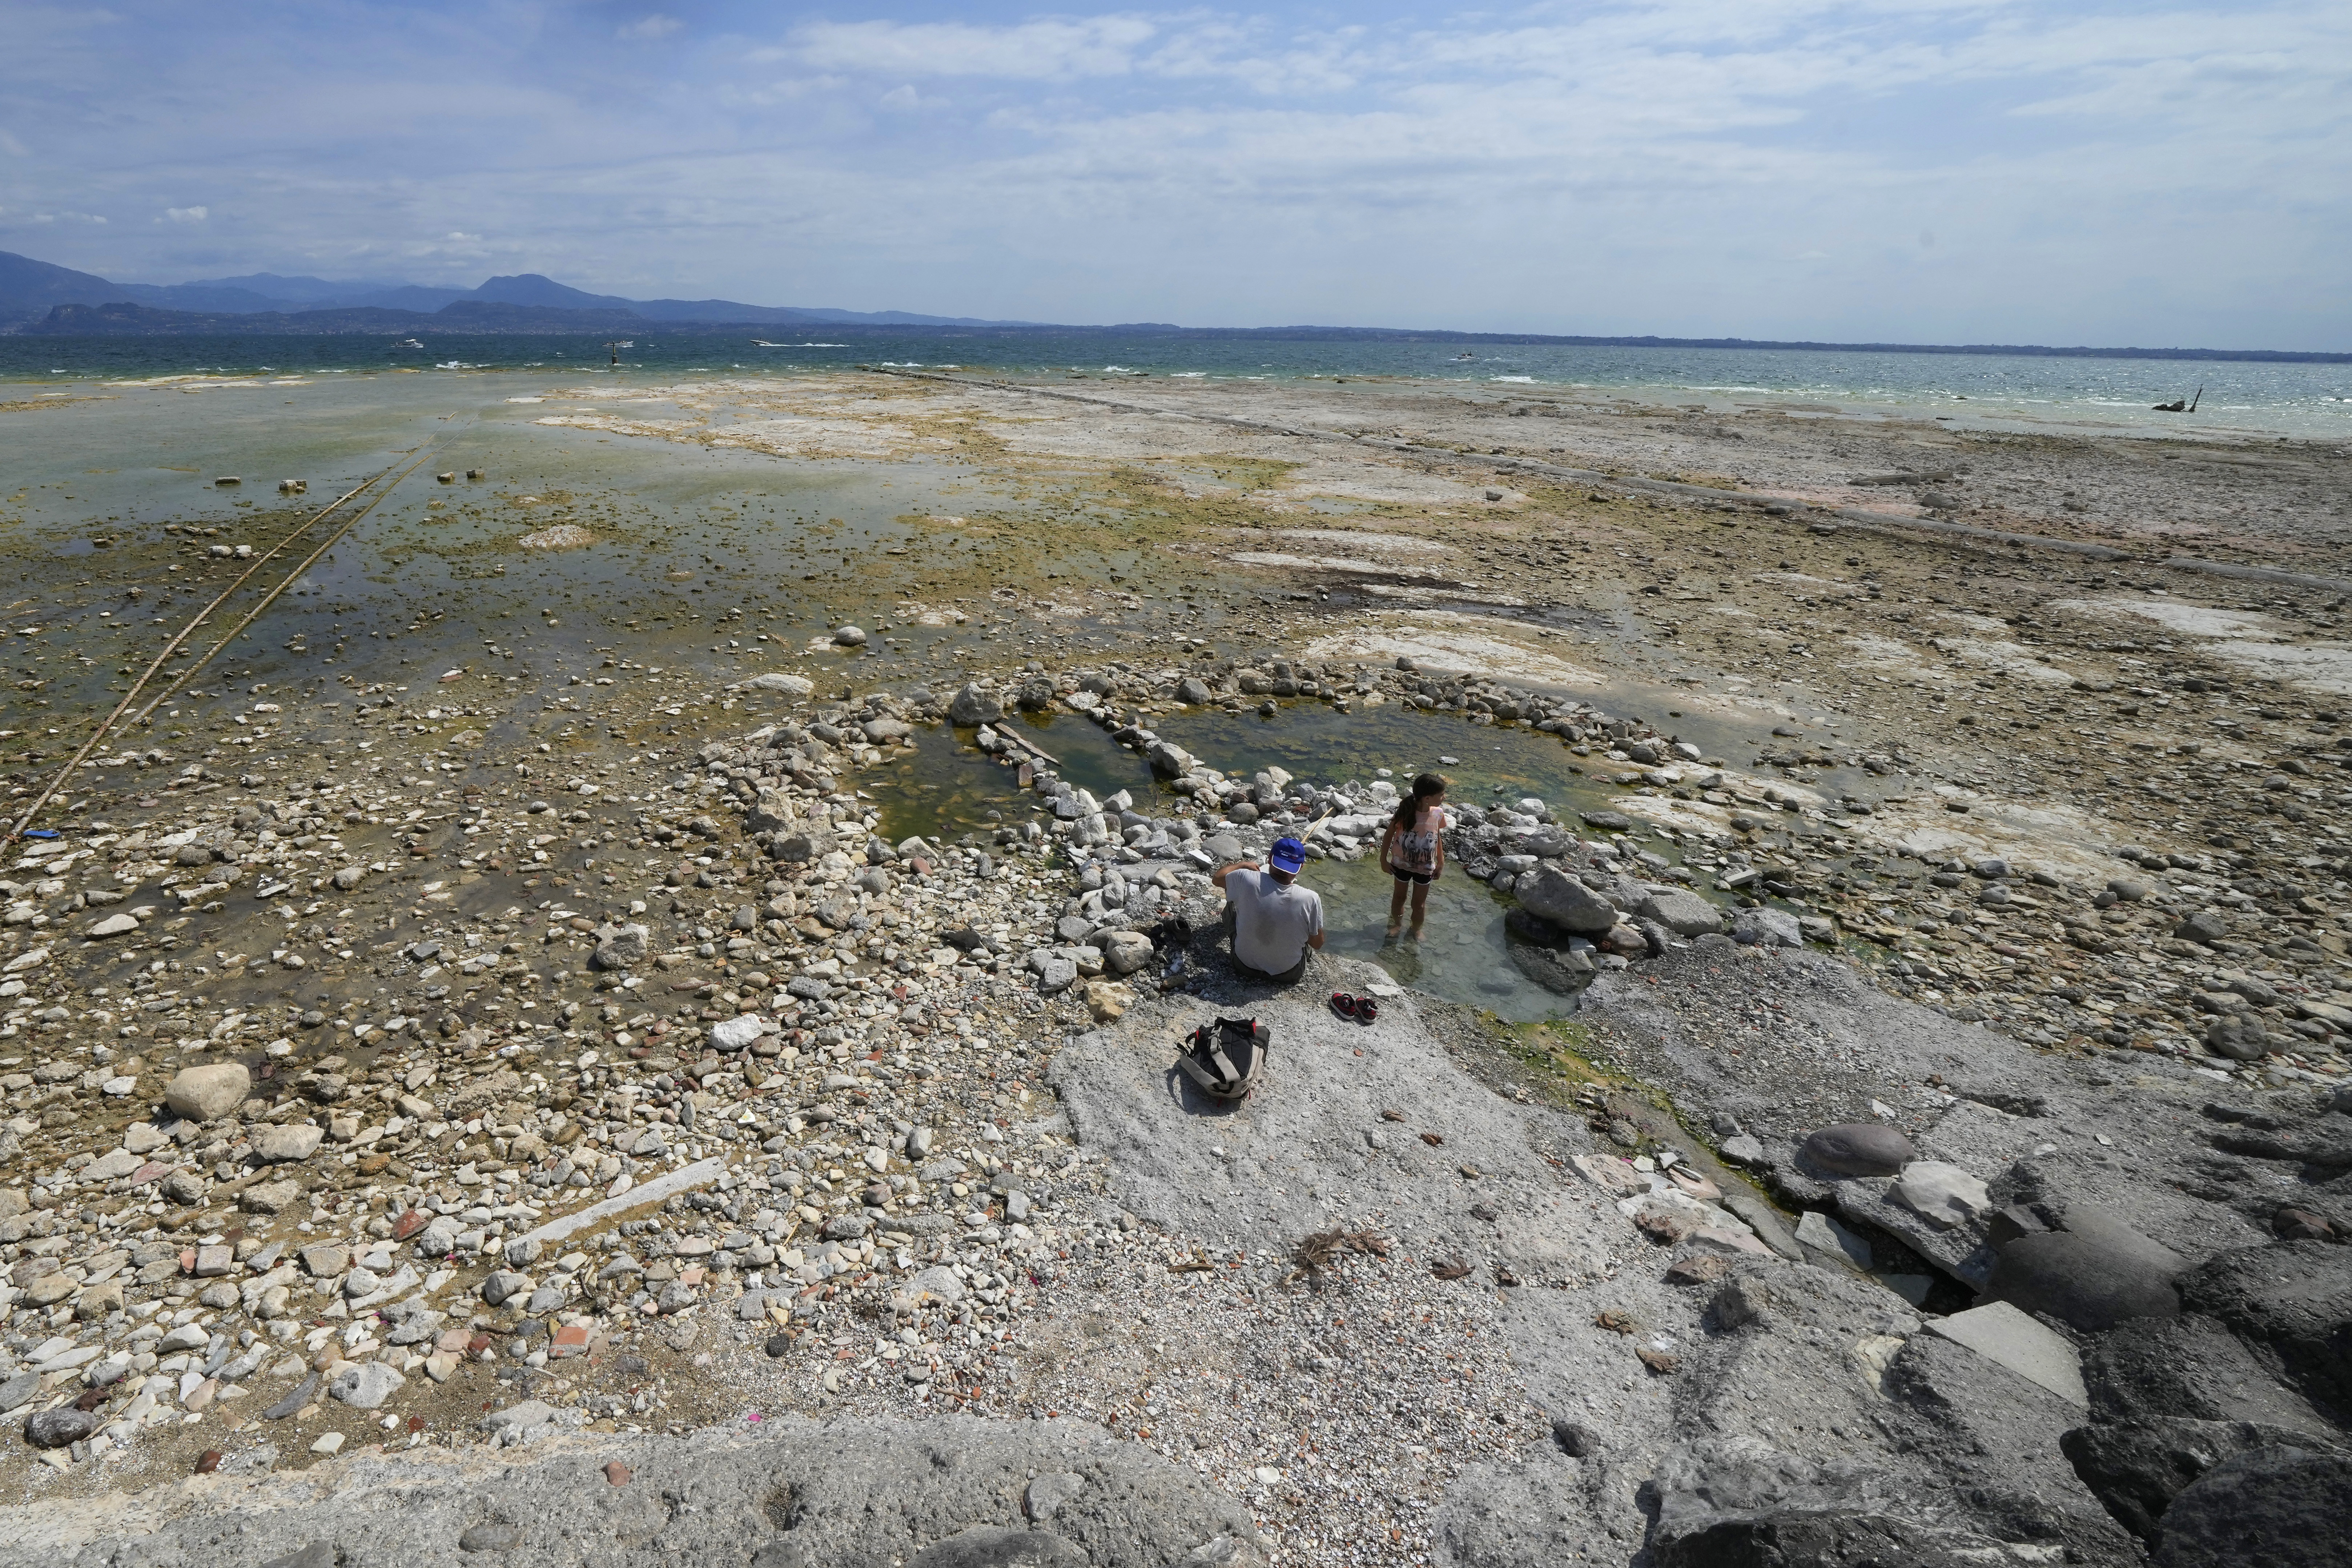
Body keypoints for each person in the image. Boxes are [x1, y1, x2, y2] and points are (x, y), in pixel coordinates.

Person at [1213, 835, 1324, 984]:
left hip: (1244, 965)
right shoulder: (1310, 898)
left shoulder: (1246, 878)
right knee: (1309, 930)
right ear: (1301, 867)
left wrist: (1242, 865)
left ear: (1270, 858)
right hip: (1287, 974)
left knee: (1231, 904)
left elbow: (1217, 878)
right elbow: (1318, 944)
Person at [1379, 772, 1451, 940]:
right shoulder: (1405, 812)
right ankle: (1397, 925)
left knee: (1419, 905)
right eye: (1441, 795)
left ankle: (1416, 929)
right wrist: (1383, 860)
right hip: (1401, 865)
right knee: (1399, 898)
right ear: (1427, 798)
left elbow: (1436, 837)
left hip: (1425, 868)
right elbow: (1389, 835)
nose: (1444, 797)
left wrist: (1441, 862)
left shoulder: (1438, 813)